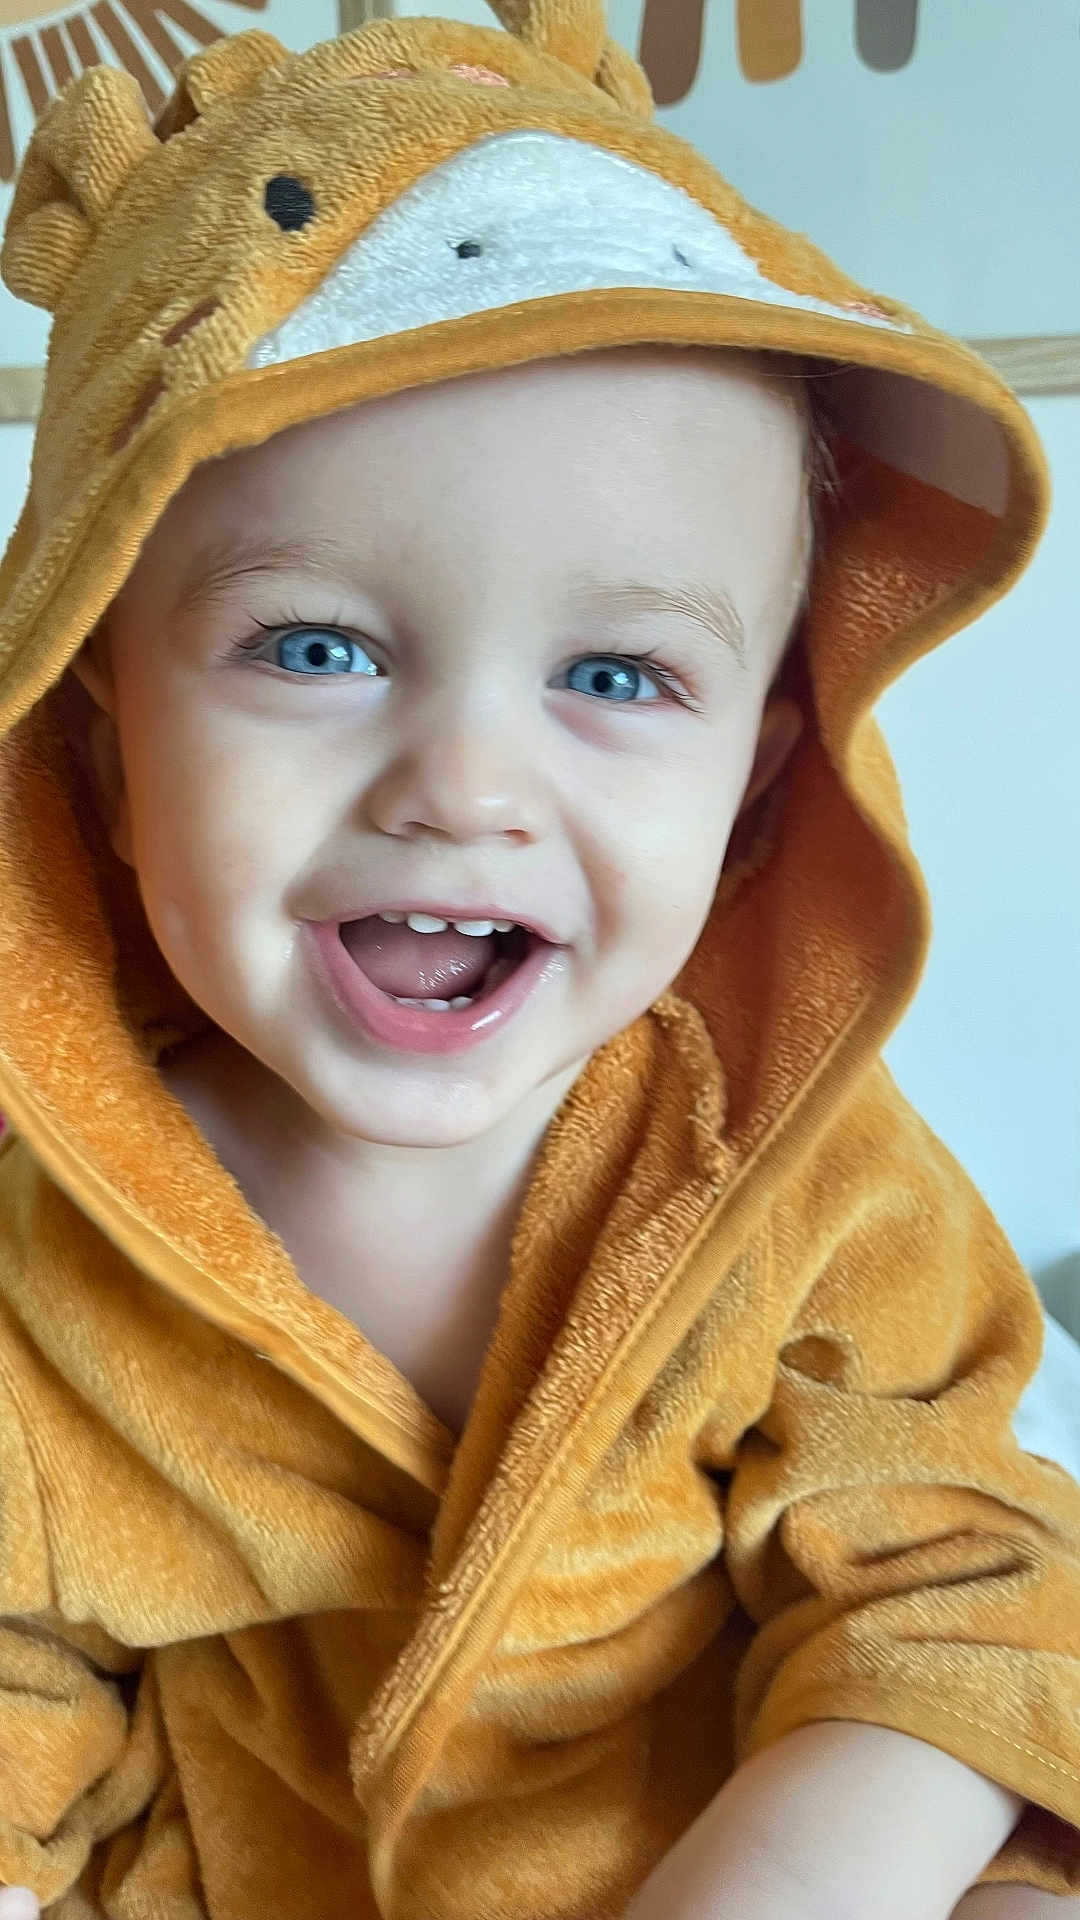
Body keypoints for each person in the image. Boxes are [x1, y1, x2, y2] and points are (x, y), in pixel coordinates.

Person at [0, 5, 1077, 1917]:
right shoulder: (62, 1250)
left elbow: (964, 1586)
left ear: (754, 766)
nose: (465, 787)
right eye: (314, 646)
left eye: (614, 676)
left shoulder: (788, 1181)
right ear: (97, 727)